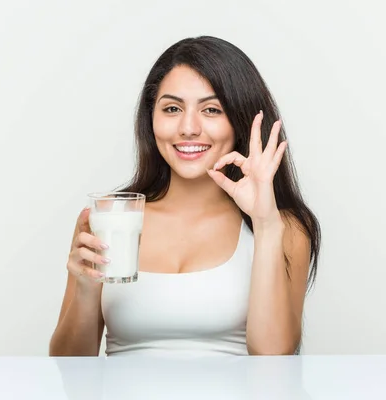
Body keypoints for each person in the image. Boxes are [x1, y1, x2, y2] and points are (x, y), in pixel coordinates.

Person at [49, 36, 321, 357]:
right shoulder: (111, 217)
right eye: (172, 108)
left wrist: (265, 223)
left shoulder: (284, 227)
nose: (188, 128)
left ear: (240, 119)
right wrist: (84, 287)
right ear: (151, 120)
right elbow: (68, 368)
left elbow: (274, 359)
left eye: (211, 109)